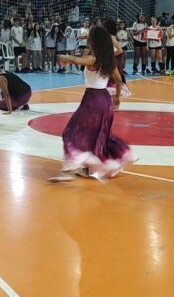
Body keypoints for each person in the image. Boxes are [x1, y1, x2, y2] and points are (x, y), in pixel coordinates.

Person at [50, 26, 135, 182]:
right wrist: (116, 98)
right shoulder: (109, 60)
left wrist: (63, 56)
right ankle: (101, 164)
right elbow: (118, 80)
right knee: (99, 135)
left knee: (70, 132)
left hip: (93, 100)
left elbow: (77, 60)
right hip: (106, 101)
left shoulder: (94, 59)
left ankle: (72, 168)